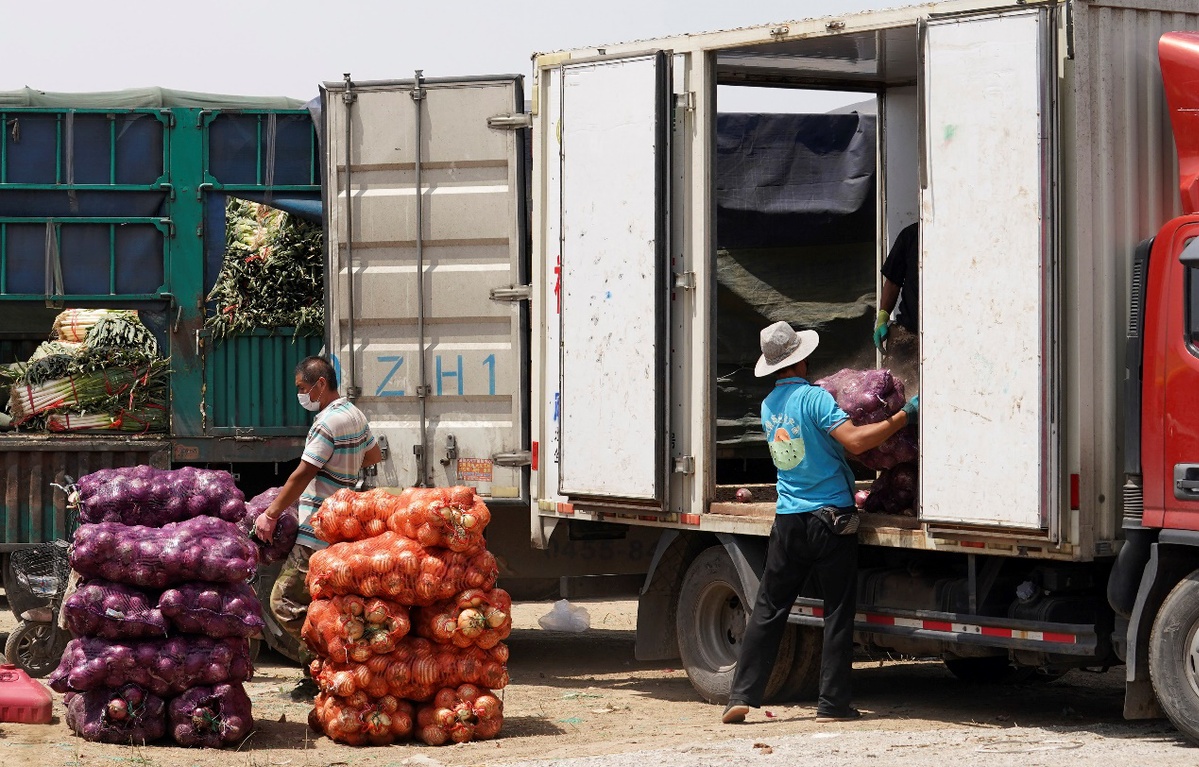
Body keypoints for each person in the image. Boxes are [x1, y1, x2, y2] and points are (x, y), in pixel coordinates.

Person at [722, 321, 918, 725]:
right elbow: (857, 441)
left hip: (788, 520)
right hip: (831, 519)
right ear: (801, 360)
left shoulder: (768, 406)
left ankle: (740, 696)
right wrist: (904, 416)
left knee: (769, 607)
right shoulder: (814, 399)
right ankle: (832, 704)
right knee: (837, 612)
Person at [255, 356, 382, 653]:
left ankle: (331, 650)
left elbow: (303, 473)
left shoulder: (327, 423)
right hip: (343, 524)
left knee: (283, 601)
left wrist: (270, 515)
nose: (301, 395)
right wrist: (343, 468)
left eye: (303, 388)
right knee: (319, 599)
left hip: (318, 528)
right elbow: (374, 455)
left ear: (321, 384)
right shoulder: (354, 414)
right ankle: (318, 665)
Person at [873, 221, 920, 391]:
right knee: (898, 390)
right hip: (909, 330)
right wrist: (882, 317)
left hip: (947, 333)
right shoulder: (911, 235)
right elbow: (893, 281)